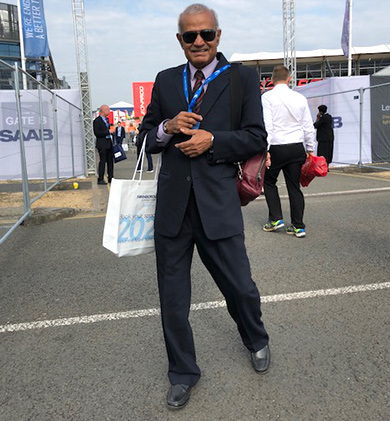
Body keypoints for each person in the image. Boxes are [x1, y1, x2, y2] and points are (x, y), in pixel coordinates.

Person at [138, 3, 270, 410]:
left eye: (207, 34)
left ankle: (256, 338)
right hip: (173, 209)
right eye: (190, 36)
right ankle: (182, 372)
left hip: (218, 203)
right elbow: (143, 139)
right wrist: (166, 127)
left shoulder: (243, 79)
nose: (199, 42)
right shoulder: (164, 81)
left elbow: (256, 138)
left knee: (241, 287)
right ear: (180, 40)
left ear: (218, 36)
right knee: (172, 299)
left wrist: (213, 141)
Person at [261, 65, 315, 238]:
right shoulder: (300, 98)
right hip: (296, 147)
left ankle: (276, 219)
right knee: (294, 187)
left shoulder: (267, 97)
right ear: (289, 78)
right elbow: (308, 125)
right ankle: (298, 226)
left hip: (276, 146)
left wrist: (265, 149)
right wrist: (310, 148)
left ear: (271, 79)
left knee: (269, 182)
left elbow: (267, 125)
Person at [93, 104, 113, 185]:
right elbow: (97, 133)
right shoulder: (97, 121)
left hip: (109, 143)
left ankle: (111, 177)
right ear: (103, 110)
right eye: (108, 110)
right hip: (102, 144)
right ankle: (100, 178)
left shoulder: (107, 120)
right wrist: (108, 132)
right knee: (103, 161)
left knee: (110, 161)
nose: (109, 111)